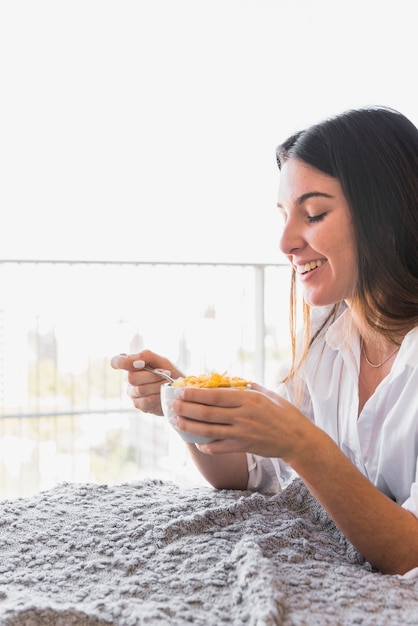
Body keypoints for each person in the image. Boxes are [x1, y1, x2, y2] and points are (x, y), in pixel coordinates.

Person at [111, 106, 418, 577]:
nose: (286, 242)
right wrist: (189, 409)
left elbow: (409, 552)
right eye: (284, 216)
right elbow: (254, 474)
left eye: (313, 213)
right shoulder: (328, 342)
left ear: (388, 214)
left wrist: (304, 444)